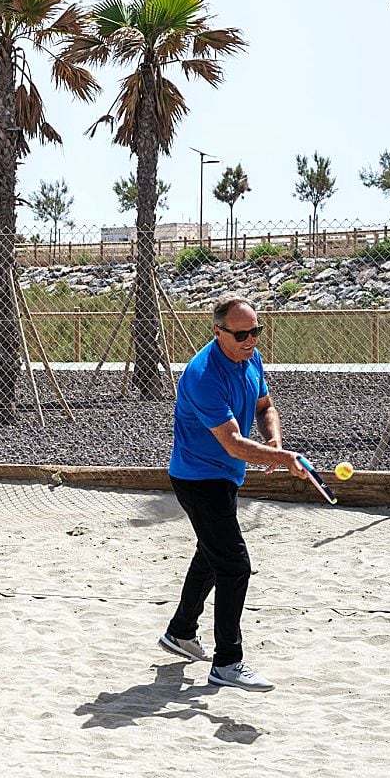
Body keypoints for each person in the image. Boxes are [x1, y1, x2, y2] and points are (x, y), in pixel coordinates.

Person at [158, 293, 310, 693]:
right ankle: (228, 662)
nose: (250, 339)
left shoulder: (249, 358)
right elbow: (233, 443)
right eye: (241, 333)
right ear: (217, 331)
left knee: (211, 555)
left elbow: (265, 406)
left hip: (223, 476)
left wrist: (275, 445)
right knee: (235, 565)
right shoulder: (203, 375)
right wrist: (284, 458)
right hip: (198, 478)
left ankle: (180, 632)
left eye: (256, 331)